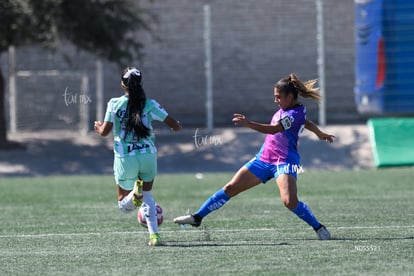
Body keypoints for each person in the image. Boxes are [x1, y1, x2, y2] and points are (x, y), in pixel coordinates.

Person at [174, 73, 335, 240]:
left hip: (285, 162)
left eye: (278, 97)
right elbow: (307, 123)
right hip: (264, 158)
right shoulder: (290, 110)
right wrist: (320, 133)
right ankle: (197, 217)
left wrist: (248, 123)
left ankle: (318, 227)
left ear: (289, 96)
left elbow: (273, 129)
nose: (275, 101)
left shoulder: (295, 114)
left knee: (289, 201)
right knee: (230, 188)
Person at [95, 67, 181, 246]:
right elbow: (175, 125)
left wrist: (98, 127)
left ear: (122, 85)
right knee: (148, 196)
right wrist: (176, 125)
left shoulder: (114, 103)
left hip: (126, 157)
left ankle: (134, 194)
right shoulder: (150, 104)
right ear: (141, 84)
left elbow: (104, 132)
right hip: (148, 155)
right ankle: (154, 236)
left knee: (123, 204)